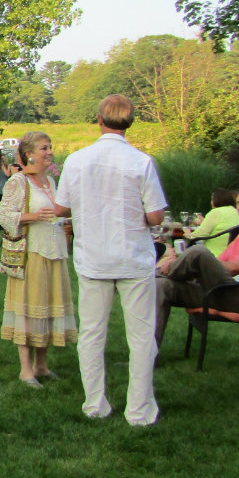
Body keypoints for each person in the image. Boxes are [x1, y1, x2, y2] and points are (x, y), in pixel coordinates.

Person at [55, 94, 168, 426]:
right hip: (133, 256)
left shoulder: (77, 160)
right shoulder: (141, 161)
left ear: (99, 120)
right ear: (129, 122)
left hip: (93, 257)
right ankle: (139, 411)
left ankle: (94, 404)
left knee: (91, 333)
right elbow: (156, 215)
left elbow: (62, 208)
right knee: (141, 336)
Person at [155, 184, 239, 349]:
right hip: (225, 292)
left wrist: (195, 262)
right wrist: (199, 265)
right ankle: (149, 357)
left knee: (198, 251)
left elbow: (234, 268)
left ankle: (153, 274)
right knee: (161, 285)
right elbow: (218, 263)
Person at [0, 132, 77, 388]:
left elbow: (57, 213)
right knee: (29, 309)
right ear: (30, 154)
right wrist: (33, 216)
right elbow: (5, 216)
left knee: (48, 307)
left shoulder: (52, 182)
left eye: (50, 147)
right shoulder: (18, 182)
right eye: (44, 148)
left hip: (55, 252)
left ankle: (41, 365)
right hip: (32, 254)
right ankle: (25, 370)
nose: (50, 151)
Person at [187, 187, 239, 257]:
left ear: (216, 200)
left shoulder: (216, 212)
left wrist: (187, 234)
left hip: (214, 255)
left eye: (212, 199)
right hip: (233, 254)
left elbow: (200, 234)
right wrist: (204, 222)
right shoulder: (236, 211)